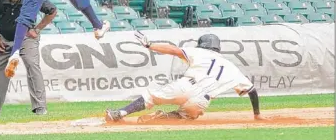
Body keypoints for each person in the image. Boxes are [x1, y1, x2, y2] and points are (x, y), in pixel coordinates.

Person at [105, 31, 263, 123]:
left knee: (150, 97)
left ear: (202, 44)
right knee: (185, 115)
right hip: (202, 101)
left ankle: (120, 113)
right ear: (218, 47)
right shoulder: (232, 67)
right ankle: (162, 117)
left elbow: (174, 50)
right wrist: (257, 114)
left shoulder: (200, 52)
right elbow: (252, 90)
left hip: (185, 86)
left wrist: (150, 45)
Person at [0, 0, 57, 116]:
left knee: (32, 65)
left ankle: (40, 107)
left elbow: (52, 11)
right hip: (3, 37)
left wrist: (37, 29)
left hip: (26, 37)